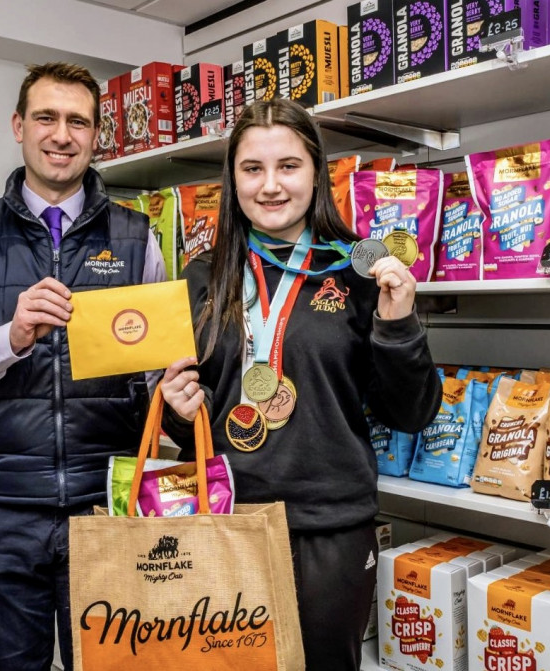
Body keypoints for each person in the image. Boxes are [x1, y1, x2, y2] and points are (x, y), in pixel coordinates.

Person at [159, 98, 442, 670]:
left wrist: (399, 325)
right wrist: (175, 409)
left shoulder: (362, 274)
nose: (270, 186)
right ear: (232, 178)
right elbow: (193, 427)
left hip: (330, 527)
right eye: (252, 168)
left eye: (288, 166)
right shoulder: (199, 279)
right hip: (225, 517)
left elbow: (410, 414)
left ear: (317, 173)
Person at [0, 62, 165, 671]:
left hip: (107, 506)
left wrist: (180, 386)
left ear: (96, 135)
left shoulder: (138, 237)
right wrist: (12, 335)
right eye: (46, 118)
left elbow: (159, 367)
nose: (62, 134)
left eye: (78, 121)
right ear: (19, 126)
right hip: (3, 512)